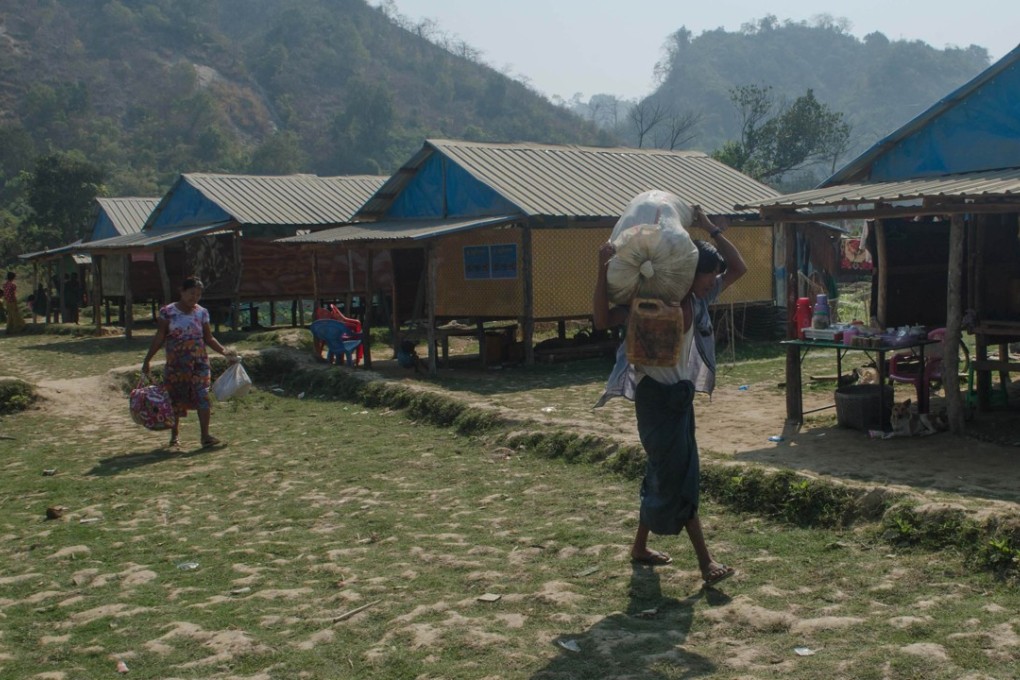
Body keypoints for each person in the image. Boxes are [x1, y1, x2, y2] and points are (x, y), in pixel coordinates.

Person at [593, 201, 747, 588]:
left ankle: (640, 547)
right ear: (688, 275)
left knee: (664, 471)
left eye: (714, 277)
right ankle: (706, 562)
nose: (714, 281)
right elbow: (599, 319)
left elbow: (739, 268)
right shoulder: (647, 306)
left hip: (680, 399)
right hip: (654, 401)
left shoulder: (699, 303)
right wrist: (601, 267)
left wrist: (711, 228)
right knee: (678, 476)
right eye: (709, 276)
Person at [141, 277, 237, 449]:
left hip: (199, 363)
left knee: (203, 396)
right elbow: (160, 337)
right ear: (182, 292)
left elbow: (209, 338)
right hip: (176, 364)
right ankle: (175, 435)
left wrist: (226, 353)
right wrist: (147, 360)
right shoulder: (168, 312)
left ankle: (205, 436)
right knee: (175, 398)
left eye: (198, 295)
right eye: (192, 293)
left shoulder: (202, 313)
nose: (195, 298)